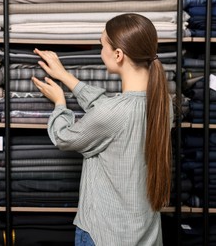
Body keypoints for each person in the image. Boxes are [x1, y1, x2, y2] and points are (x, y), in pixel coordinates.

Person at [31, 13, 173, 246]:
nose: (100, 52)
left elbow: (63, 137)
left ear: (118, 55)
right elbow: (108, 110)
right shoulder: (163, 104)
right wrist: (66, 78)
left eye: (101, 45)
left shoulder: (114, 113)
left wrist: (59, 104)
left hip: (103, 235)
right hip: (147, 235)